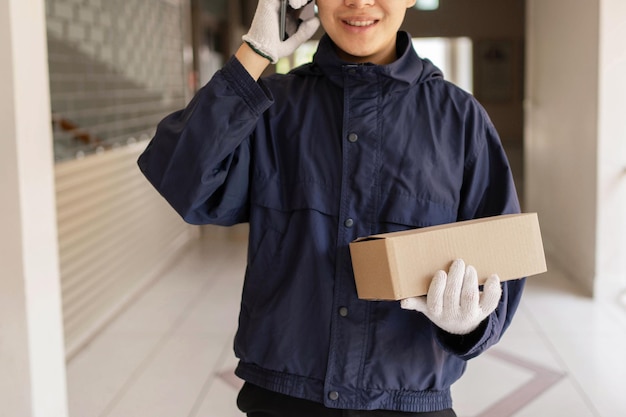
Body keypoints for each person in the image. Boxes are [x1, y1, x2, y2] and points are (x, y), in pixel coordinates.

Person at [137, 0, 525, 415]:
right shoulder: (272, 107)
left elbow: (503, 263)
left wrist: (470, 325)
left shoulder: (460, 120)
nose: (359, 2)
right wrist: (253, 54)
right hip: (283, 399)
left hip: (408, 401)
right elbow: (183, 181)